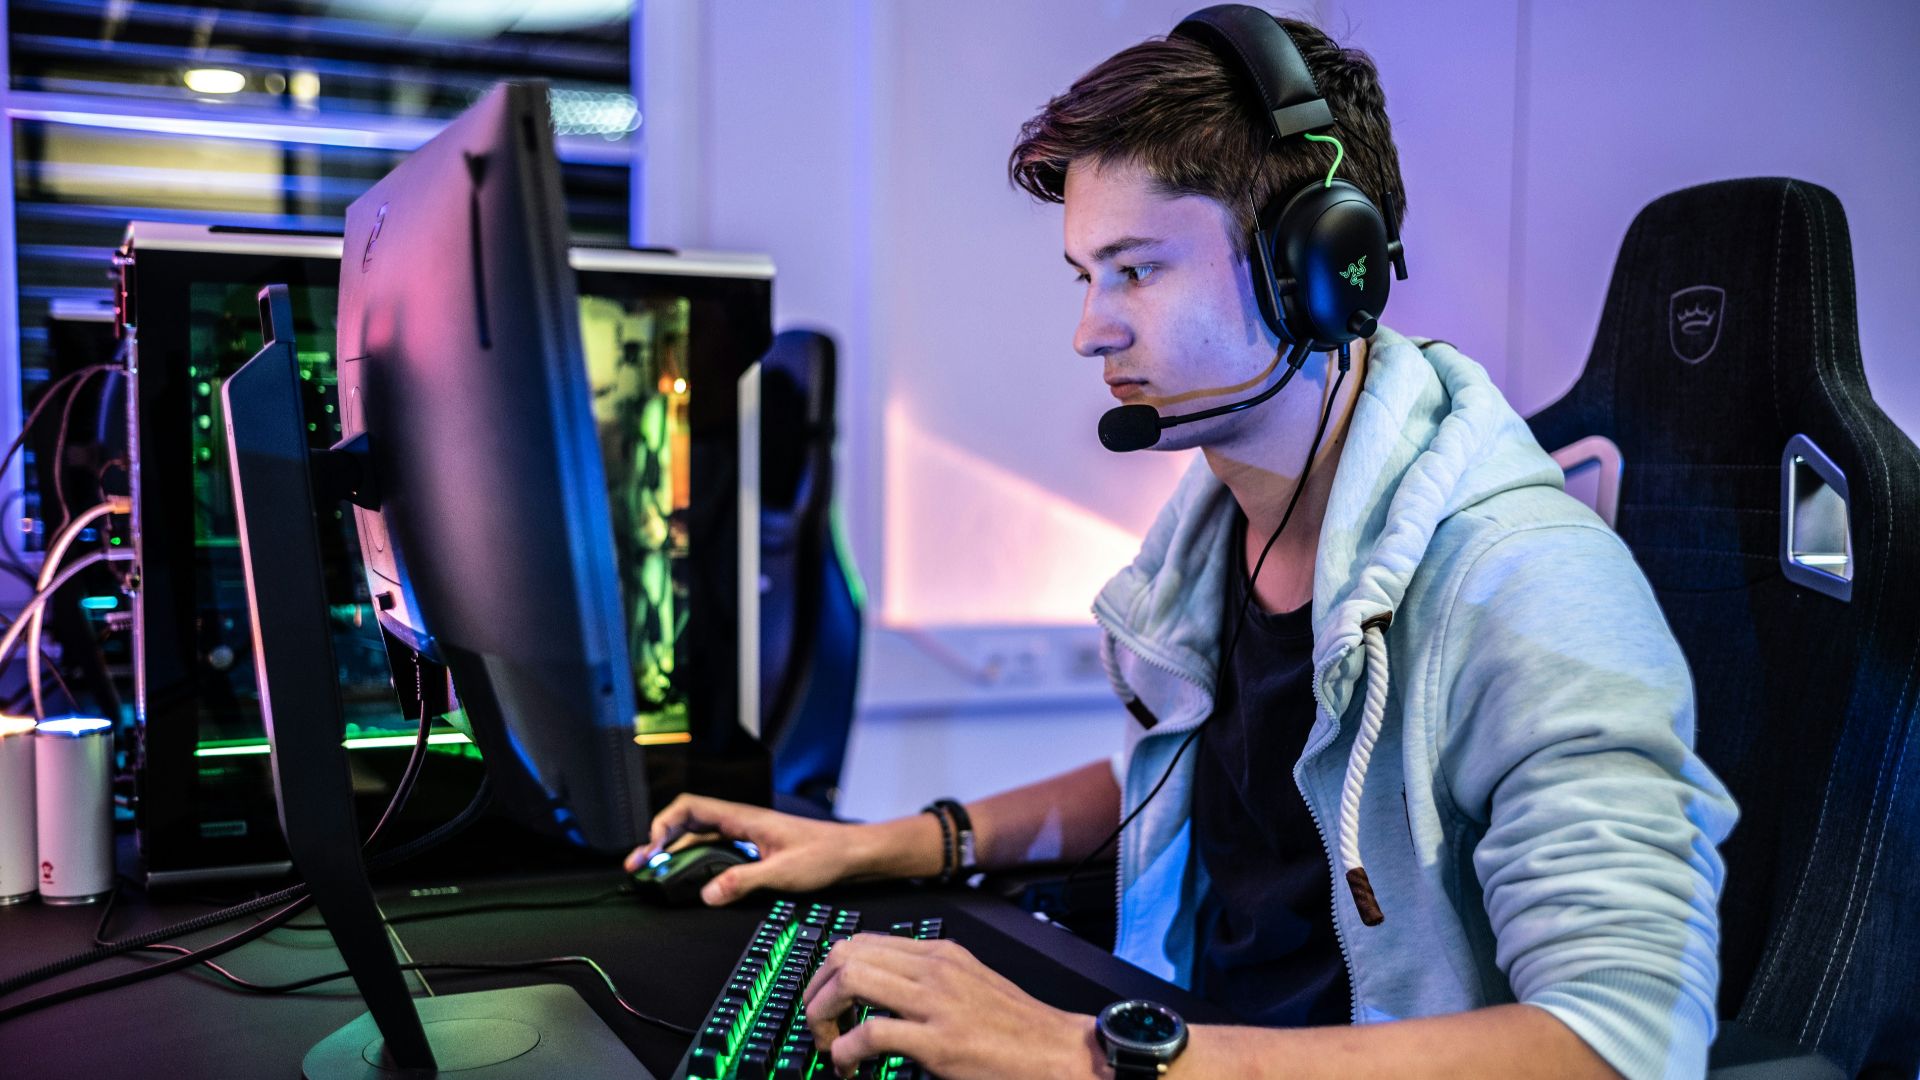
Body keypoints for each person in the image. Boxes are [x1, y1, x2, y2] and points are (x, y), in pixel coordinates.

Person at [626, 9, 1737, 1079]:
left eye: (1138, 269)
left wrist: (1085, 1054)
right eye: (1085, 275)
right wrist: (895, 845)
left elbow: (1620, 1044)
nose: (1089, 328)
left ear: (1317, 269)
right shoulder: (1218, 533)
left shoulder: (1527, 586)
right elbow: (1187, 775)